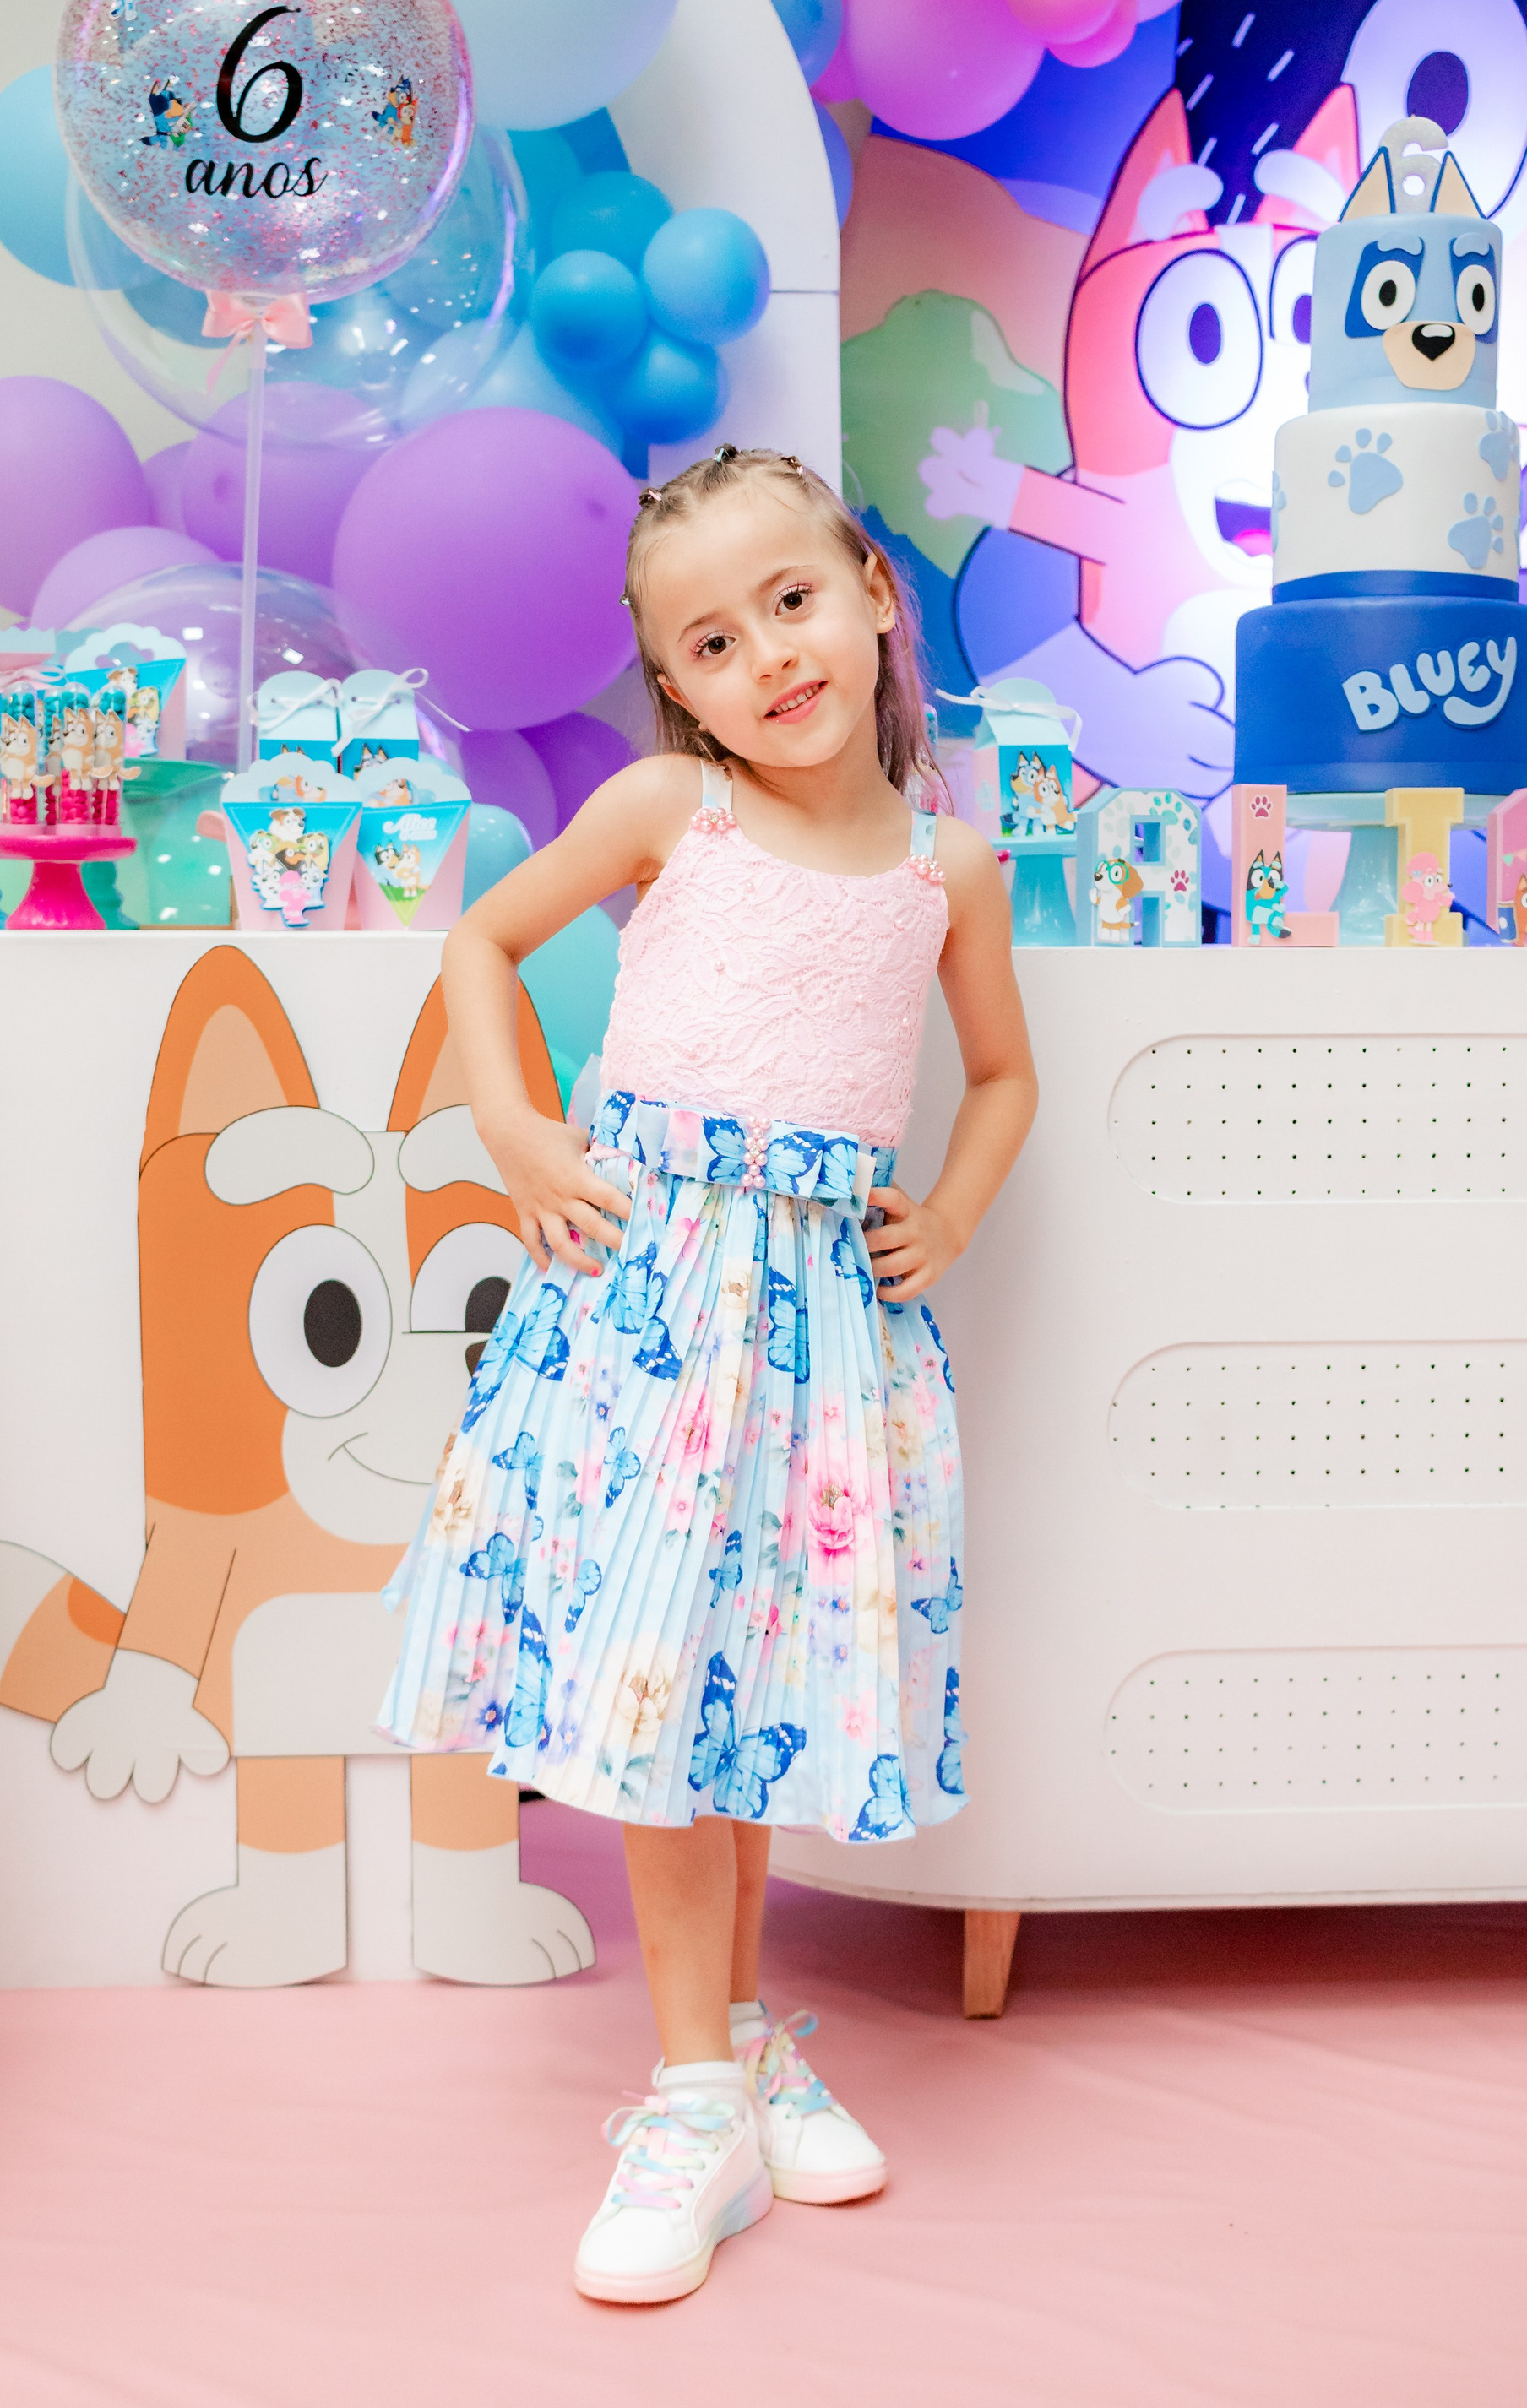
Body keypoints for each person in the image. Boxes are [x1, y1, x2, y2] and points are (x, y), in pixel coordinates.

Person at [378, 445, 1037, 2303]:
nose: (769, 656)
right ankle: (688, 2101)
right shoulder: (677, 810)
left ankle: (737, 2049)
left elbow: (1003, 1076)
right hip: (654, 1305)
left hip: (819, 1339)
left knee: (737, 1698)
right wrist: (514, 1125)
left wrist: (951, 1213)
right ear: (678, 684)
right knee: (659, 1694)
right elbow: (483, 939)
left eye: (794, 602)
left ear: (875, 594)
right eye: (714, 642)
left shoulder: (947, 870)